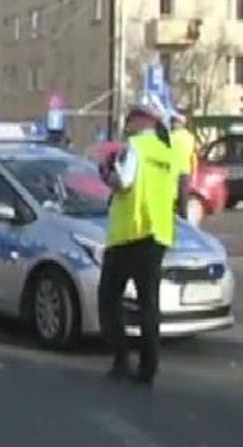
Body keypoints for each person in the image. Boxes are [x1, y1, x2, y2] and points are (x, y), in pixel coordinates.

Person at [97, 102, 177, 386]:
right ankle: (148, 369)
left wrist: (106, 174)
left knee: (108, 300)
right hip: (156, 235)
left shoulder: (135, 148)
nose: (127, 122)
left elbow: (124, 182)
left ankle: (121, 361)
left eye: (130, 118)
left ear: (143, 120)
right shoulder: (167, 153)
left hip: (127, 236)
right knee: (148, 307)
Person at [170, 110, 197, 219]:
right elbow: (193, 157)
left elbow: (192, 157)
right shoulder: (190, 137)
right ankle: (183, 224)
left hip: (174, 172)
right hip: (183, 172)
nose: (174, 124)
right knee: (182, 203)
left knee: (174, 202)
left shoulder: (171, 136)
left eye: (176, 121)